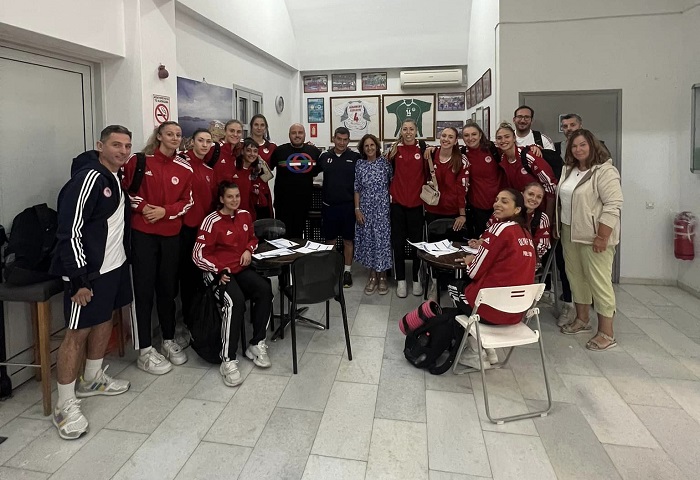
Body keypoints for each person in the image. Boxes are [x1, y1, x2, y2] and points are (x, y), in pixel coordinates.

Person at [50, 125, 134, 440]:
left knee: (104, 319)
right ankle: (64, 403)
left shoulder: (114, 177)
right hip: (87, 273)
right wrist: (79, 278)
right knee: (77, 334)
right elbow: (69, 231)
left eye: (127, 146)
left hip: (113, 266)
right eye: (116, 145)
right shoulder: (87, 178)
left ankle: (93, 377)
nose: (123, 151)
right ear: (100, 145)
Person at [122, 121, 193, 374]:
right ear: (159, 136)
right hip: (143, 235)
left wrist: (165, 211)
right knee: (142, 292)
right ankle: (144, 350)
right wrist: (144, 209)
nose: (174, 138)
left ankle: (168, 339)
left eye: (178, 135)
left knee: (167, 290)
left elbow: (187, 201)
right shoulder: (138, 161)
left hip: (170, 236)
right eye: (169, 134)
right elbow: (126, 192)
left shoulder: (184, 167)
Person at [193, 182, 273, 386]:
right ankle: (227, 360)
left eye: (237, 196)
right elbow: (198, 255)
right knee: (234, 301)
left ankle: (256, 344)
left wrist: (248, 250)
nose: (235, 200)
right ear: (221, 199)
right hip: (218, 273)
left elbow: (253, 239)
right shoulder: (211, 221)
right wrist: (219, 269)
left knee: (265, 289)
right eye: (230, 196)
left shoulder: (245, 215)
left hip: (240, 269)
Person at [451, 188, 536, 369]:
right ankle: (489, 350)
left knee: (455, 287)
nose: (497, 204)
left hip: (492, 311)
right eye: (497, 199)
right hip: (517, 313)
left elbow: (474, 272)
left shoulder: (499, 228)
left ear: (517, 209)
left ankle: (474, 351)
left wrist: (470, 261)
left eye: (504, 201)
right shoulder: (526, 234)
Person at [557, 129, 623, 351]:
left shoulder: (605, 171)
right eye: (574, 146)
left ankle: (606, 333)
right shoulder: (568, 169)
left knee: (599, 282)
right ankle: (582, 319)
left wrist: (602, 236)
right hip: (569, 231)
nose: (578, 149)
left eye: (582, 145)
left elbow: (613, 205)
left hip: (594, 235)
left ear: (592, 145)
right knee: (576, 278)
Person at [179, 128, 215, 333]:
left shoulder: (209, 170)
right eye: (200, 140)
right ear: (192, 141)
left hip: (202, 230)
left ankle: (199, 317)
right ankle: (188, 319)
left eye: (208, 141)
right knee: (187, 276)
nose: (204, 144)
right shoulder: (182, 162)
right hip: (184, 229)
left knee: (199, 275)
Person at [315, 127, 361, 287]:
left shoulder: (355, 157)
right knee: (330, 240)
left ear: (349, 141)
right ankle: (332, 272)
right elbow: (311, 171)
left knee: (348, 240)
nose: (341, 142)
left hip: (348, 206)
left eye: (345, 139)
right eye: (339, 139)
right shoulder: (324, 157)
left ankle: (347, 272)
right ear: (333, 138)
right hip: (330, 206)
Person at [387, 118, 426, 298]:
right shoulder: (394, 150)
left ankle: (417, 279)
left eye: (411, 129)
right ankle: (401, 280)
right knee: (398, 243)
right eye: (405, 129)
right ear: (400, 131)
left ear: (416, 131)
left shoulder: (424, 149)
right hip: (398, 204)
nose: (408, 132)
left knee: (417, 244)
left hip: (417, 204)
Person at [494, 122, 557, 221]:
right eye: (499, 138)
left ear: (514, 138)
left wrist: (548, 217)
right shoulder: (503, 159)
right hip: (521, 210)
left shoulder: (528, 156)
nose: (503, 140)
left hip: (539, 209)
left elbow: (550, 185)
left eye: (507, 137)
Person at [354, 134, 393, 295]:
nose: (369, 148)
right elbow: (357, 188)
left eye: (372, 145)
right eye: (366, 146)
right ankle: (372, 275)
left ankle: (382, 276)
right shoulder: (360, 165)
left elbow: (392, 183)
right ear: (363, 149)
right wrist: (357, 209)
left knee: (382, 242)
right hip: (365, 210)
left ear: (377, 146)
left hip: (382, 210)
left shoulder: (385, 163)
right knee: (369, 242)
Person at [269, 123, 321, 238]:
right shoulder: (279, 151)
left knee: (298, 236)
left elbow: (317, 172)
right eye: (294, 133)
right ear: (289, 135)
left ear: (305, 135)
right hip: (283, 203)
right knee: (282, 236)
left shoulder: (314, 152)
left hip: (303, 203)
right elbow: (267, 169)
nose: (297, 135)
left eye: (300, 133)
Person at [461, 121, 505, 239]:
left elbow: (512, 149)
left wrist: (533, 147)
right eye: (466, 135)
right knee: (480, 239)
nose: (470, 138)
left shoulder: (492, 149)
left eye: (474, 134)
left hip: (499, 204)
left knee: (498, 239)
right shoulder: (462, 154)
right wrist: (431, 149)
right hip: (477, 207)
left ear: (480, 135)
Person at [423, 127, 468, 231]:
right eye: (444, 136)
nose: (446, 139)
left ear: (455, 141)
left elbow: (462, 189)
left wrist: (462, 215)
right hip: (431, 208)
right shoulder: (430, 155)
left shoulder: (461, 160)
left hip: (453, 212)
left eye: (450, 137)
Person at [216, 137, 265, 218]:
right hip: (230, 214)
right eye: (248, 150)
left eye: (255, 151)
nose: (252, 154)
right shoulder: (233, 167)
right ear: (242, 151)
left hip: (245, 215)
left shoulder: (253, 171)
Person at [250, 114, 275, 219]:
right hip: (246, 190)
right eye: (256, 125)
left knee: (264, 224)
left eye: (262, 125)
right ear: (251, 126)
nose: (259, 128)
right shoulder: (243, 145)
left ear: (266, 127)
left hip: (263, 191)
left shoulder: (272, 147)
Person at [212, 119, 244, 188]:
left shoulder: (237, 153)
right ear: (225, 131)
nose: (235, 134)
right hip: (211, 194)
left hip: (227, 194)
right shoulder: (214, 148)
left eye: (238, 132)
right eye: (232, 131)